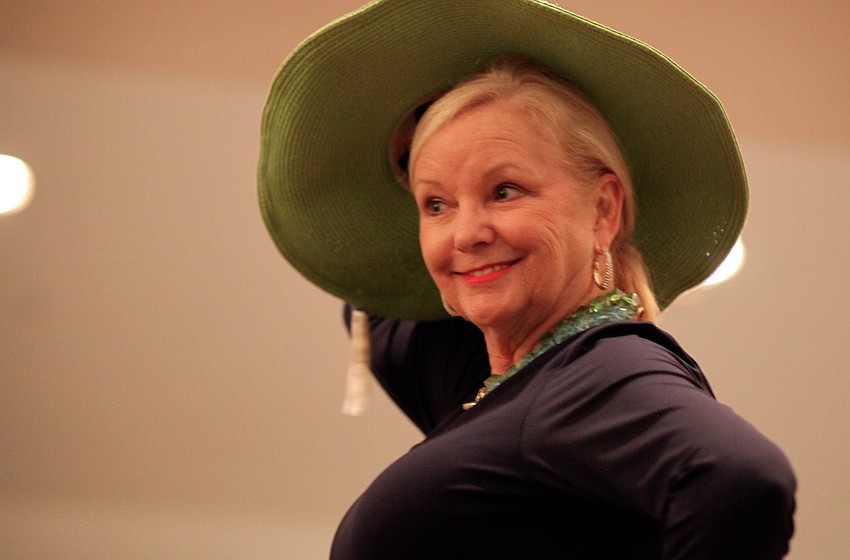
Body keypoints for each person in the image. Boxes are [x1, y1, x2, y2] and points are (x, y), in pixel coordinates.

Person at [257, 1, 796, 558]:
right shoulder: (498, 389)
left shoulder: (595, 373)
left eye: (505, 190)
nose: (466, 232)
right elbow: (374, 300)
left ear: (602, 210)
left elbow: (743, 482)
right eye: (436, 203)